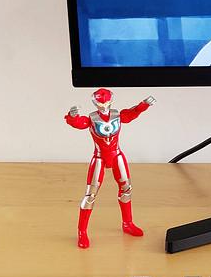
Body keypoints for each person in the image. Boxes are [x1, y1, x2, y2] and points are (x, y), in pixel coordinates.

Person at [64, 88, 155, 248]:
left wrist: (144, 105)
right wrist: (72, 117)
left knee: (126, 189)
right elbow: (79, 123)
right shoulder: (92, 119)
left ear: (111, 101)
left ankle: (127, 223)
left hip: (116, 155)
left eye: (106, 101)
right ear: (95, 103)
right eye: (100, 102)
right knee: (90, 195)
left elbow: (132, 113)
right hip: (99, 157)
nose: (104, 105)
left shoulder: (117, 115)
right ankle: (82, 232)